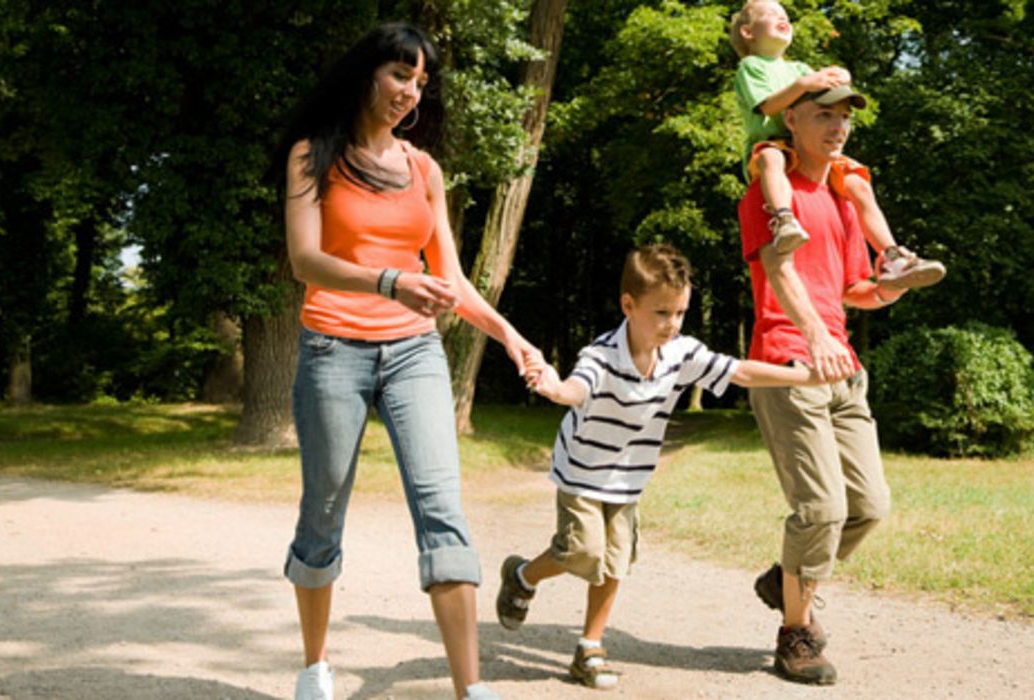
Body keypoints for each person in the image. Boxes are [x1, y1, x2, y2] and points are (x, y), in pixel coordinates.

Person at [272, 23, 541, 700]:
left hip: (414, 351)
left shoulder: (423, 169)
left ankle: (470, 690)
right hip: (332, 347)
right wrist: (389, 281)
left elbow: (448, 278)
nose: (409, 91)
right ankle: (314, 666)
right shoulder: (313, 156)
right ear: (367, 73)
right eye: (399, 74)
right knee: (324, 507)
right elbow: (305, 261)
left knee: (442, 507)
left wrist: (511, 337)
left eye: (420, 81)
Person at [495, 243, 828, 690]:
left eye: (680, 313)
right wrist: (555, 389)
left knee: (615, 562)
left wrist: (807, 376)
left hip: (629, 478)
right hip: (583, 471)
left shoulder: (680, 353)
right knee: (582, 552)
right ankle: (521, 576)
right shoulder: (602, 355)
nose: (672, 325)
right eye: (661, 313)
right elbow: (577, 388)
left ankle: (589, 647)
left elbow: (741, 372)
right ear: (628, 305)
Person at [736, 84, 898, 686]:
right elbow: (779, 270)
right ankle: (794, 634)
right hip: (788, 363)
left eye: (845, 118)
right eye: (823, 115)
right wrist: (814, 336)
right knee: (821, 508)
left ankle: (785, 581)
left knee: (869, 506)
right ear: (793, 121)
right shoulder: (766, 193)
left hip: (842, 370)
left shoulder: (840, 200)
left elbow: (855, 287)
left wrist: (888, 289)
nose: (838, 127)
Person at [729, 0, 945, 289]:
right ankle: (783, 219)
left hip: (805, 144)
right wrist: (806, 84)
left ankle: (892, 255)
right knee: (771, 159)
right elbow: (769, 107)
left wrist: (838, 76)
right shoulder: (751, 67)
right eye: (771, 15)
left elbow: (823, 93)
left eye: (785, 15)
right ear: (747, 32)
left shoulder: (799, 68)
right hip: (772, 143)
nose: (783, 19)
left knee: (859, 184)